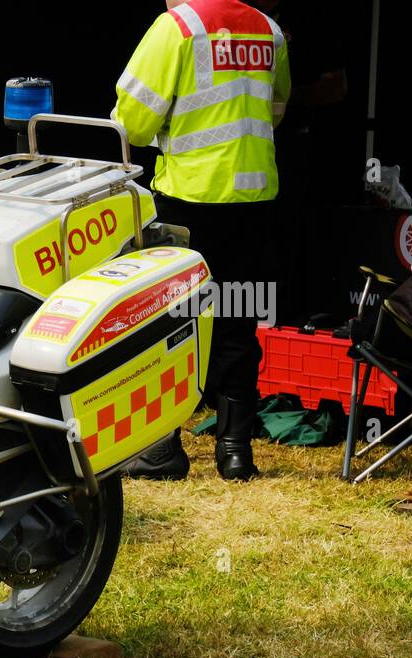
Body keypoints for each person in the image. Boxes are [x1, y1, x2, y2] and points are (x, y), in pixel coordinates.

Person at [113, 0, 291, 480]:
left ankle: (162, 449)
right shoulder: (269, 29)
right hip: (253, 197)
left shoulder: (176, 27)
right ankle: (235, 452)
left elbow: (131, 119)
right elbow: (275, 108)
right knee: (237, 315)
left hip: (189, 198)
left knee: (174, 322)